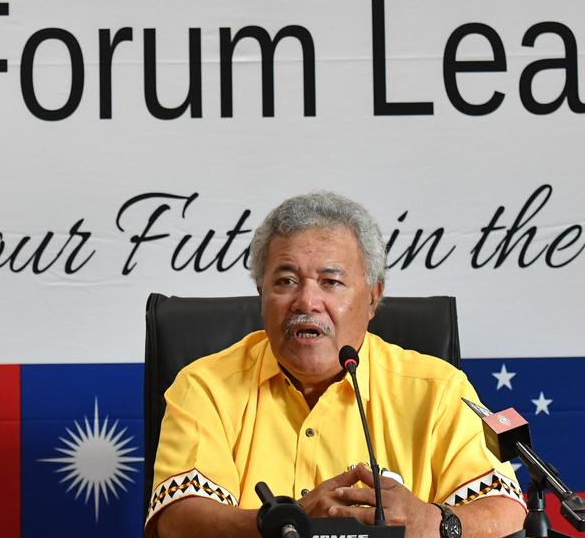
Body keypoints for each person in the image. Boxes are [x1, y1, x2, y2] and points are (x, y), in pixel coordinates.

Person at [146, 192, 526, 538]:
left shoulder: (437, 389)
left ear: (374, 297)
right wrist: (287, 522)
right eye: (286, 281)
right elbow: (179, 520)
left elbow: (505, 508)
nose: (306, 302)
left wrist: (435, 523)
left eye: (330, 282)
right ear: (261, 293)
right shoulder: (206, 386)